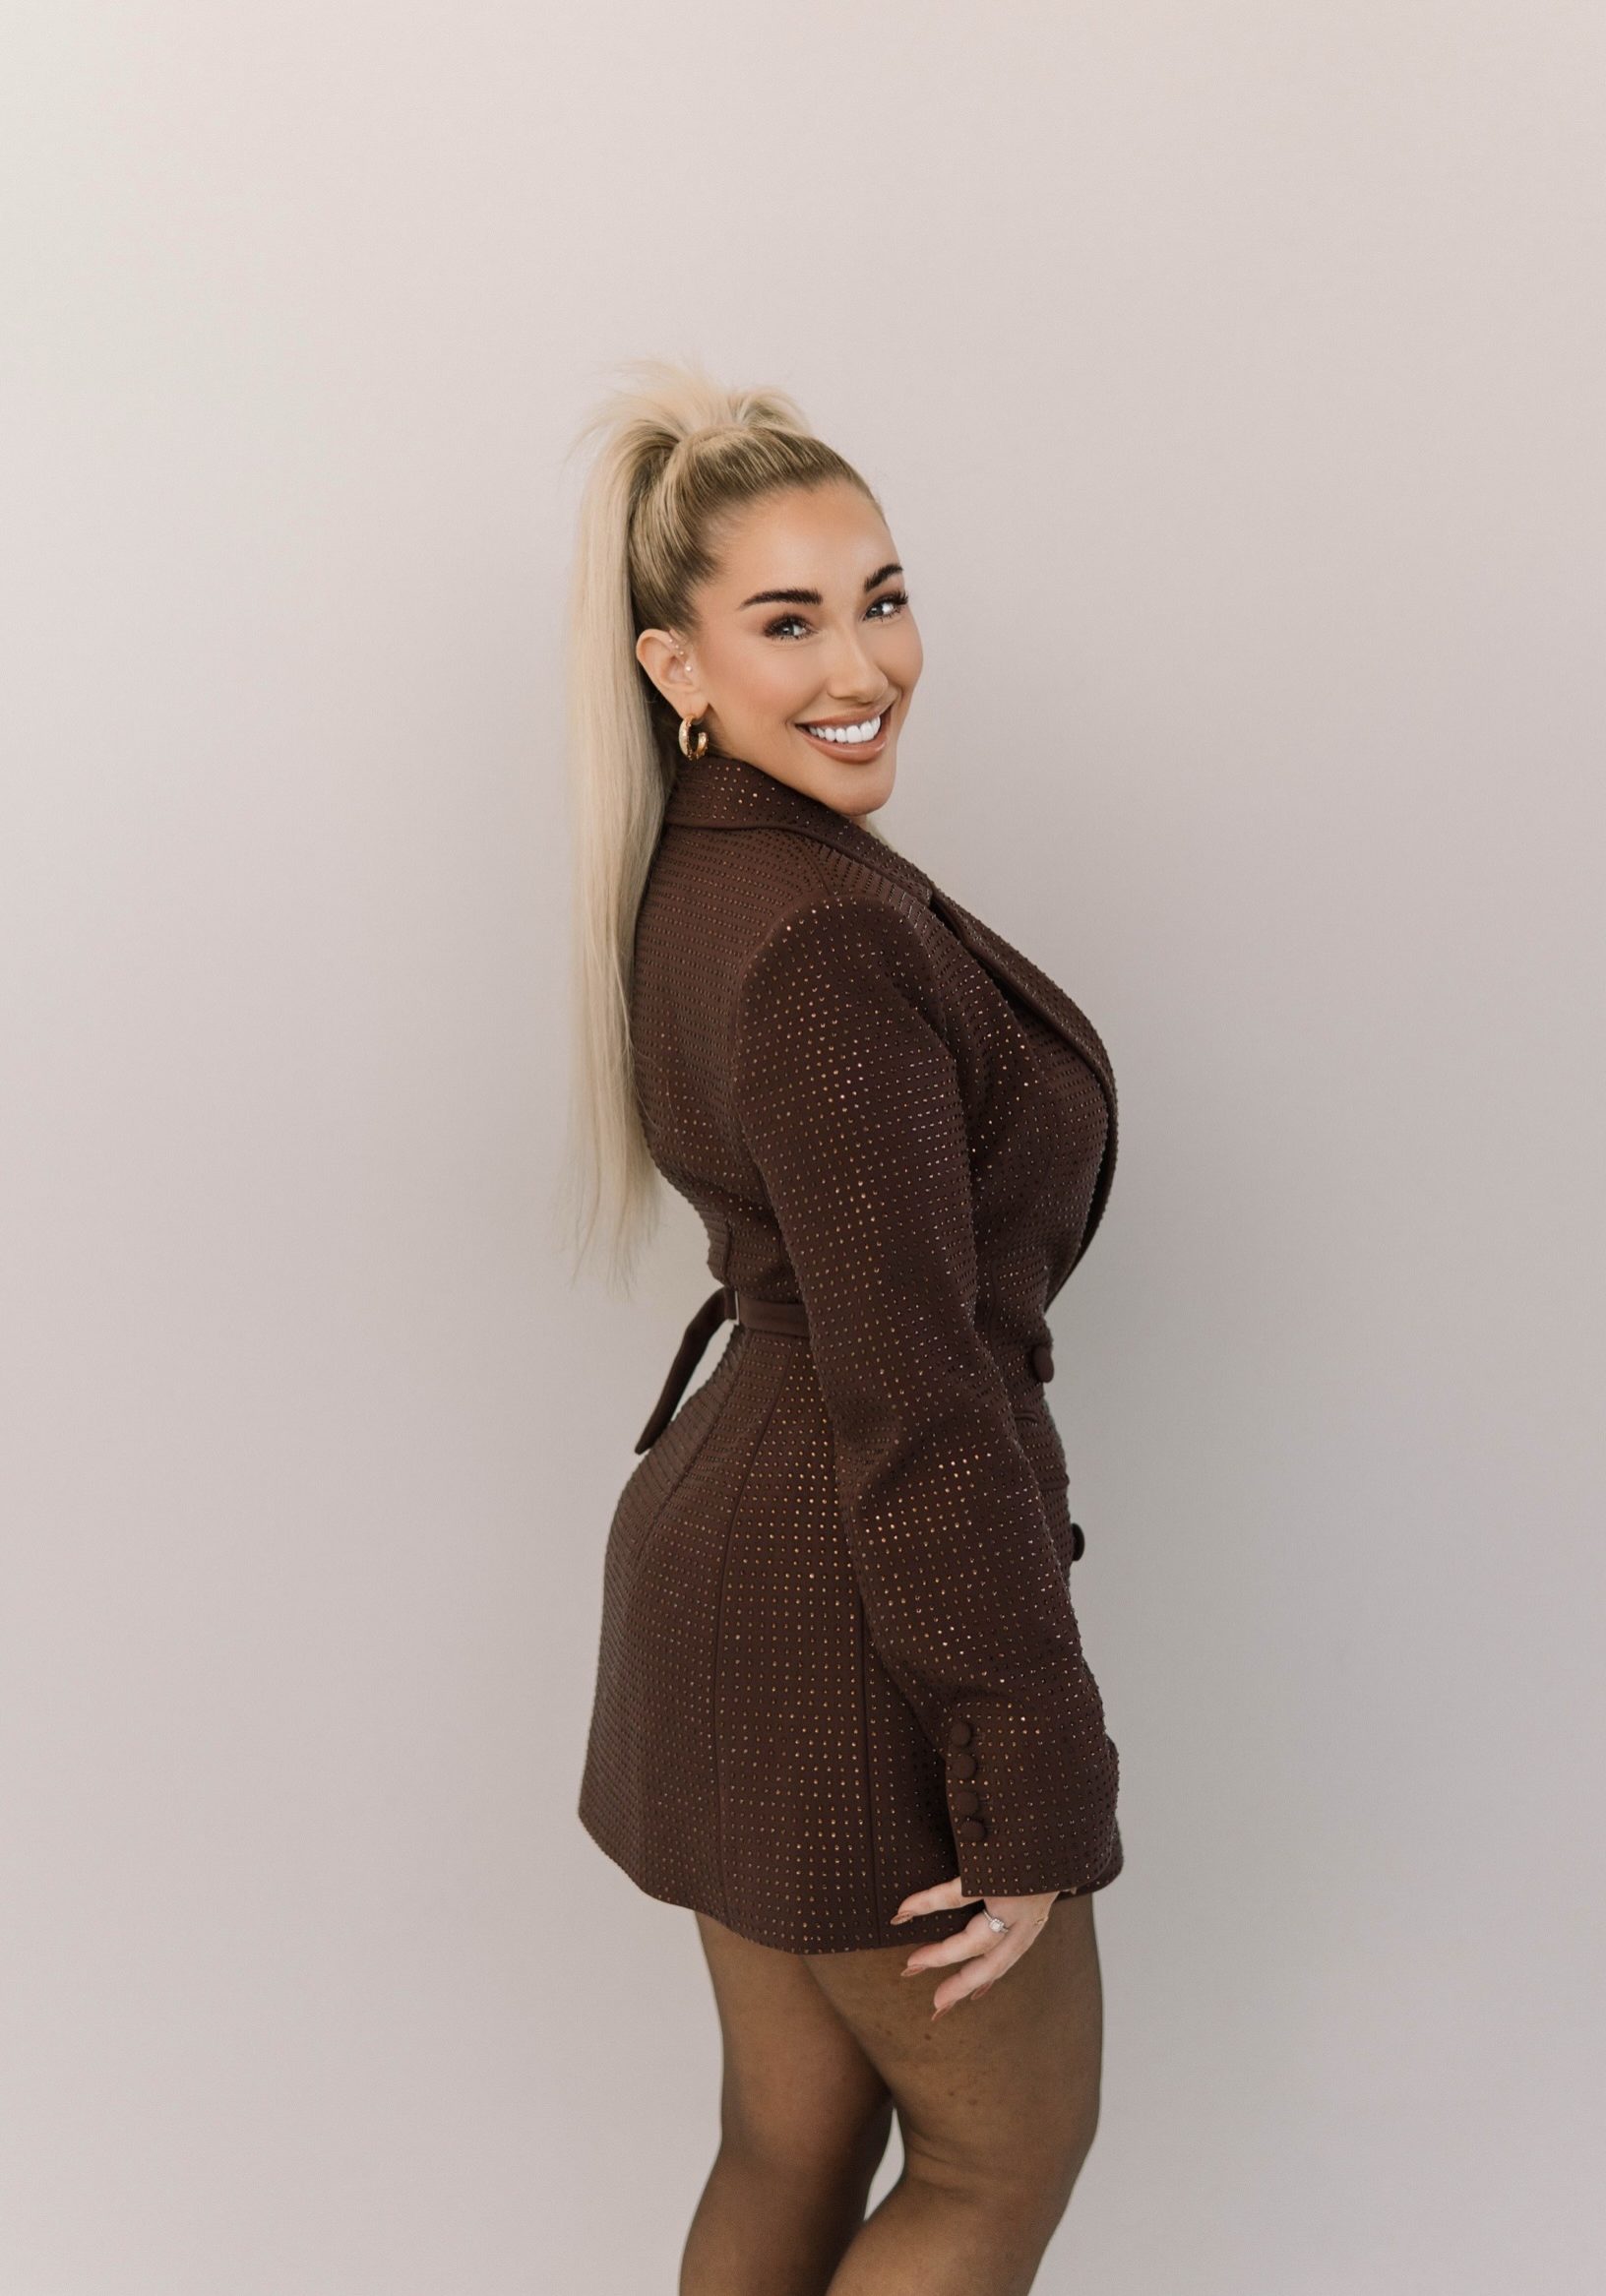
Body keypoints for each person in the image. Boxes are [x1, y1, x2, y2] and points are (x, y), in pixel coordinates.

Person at [559, 357, 1125, 2295]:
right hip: (850, 1621)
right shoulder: (810, 937)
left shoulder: (727, 874)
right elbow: (919, 1397)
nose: (858, 661)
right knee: (997, 2165)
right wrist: (1022, 1776)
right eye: (784, 620)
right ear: (678, 666)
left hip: (740, 1586)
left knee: (791, 2136)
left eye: (879, 596)